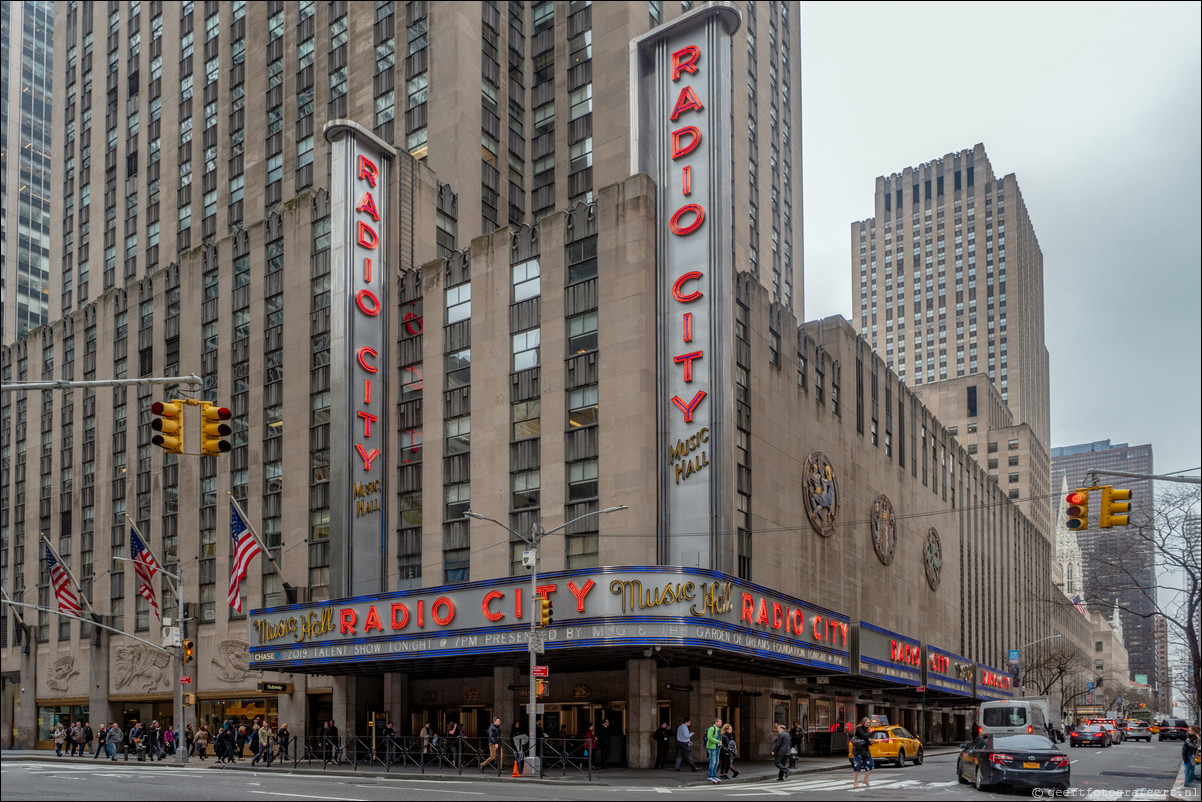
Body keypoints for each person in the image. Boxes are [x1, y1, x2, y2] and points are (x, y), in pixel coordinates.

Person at [851, 717, 875, 788]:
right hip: (858, 750)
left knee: (870, 764)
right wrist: (870, 732)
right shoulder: (859, 728)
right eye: (867, 723)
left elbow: (865, 740)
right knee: (857, 766)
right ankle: (855, 782)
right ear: (863, 722)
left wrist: (870, 742)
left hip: (865, 750)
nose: (868, 724)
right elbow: (864, 736)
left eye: (869, 723)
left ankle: (865, 780)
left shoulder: (866, 729)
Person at [704, 717, 723, 784]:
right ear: (716, 722)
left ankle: (714, 775)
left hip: (717, 747)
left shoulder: (718, 729)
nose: (721, 723)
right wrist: (718, 741)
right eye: (720, 722)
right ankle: (710, 776)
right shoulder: (712, 728)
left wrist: (720, 743)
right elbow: (709, 737)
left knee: (716, 762)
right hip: (712, 747)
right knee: (713, 762)